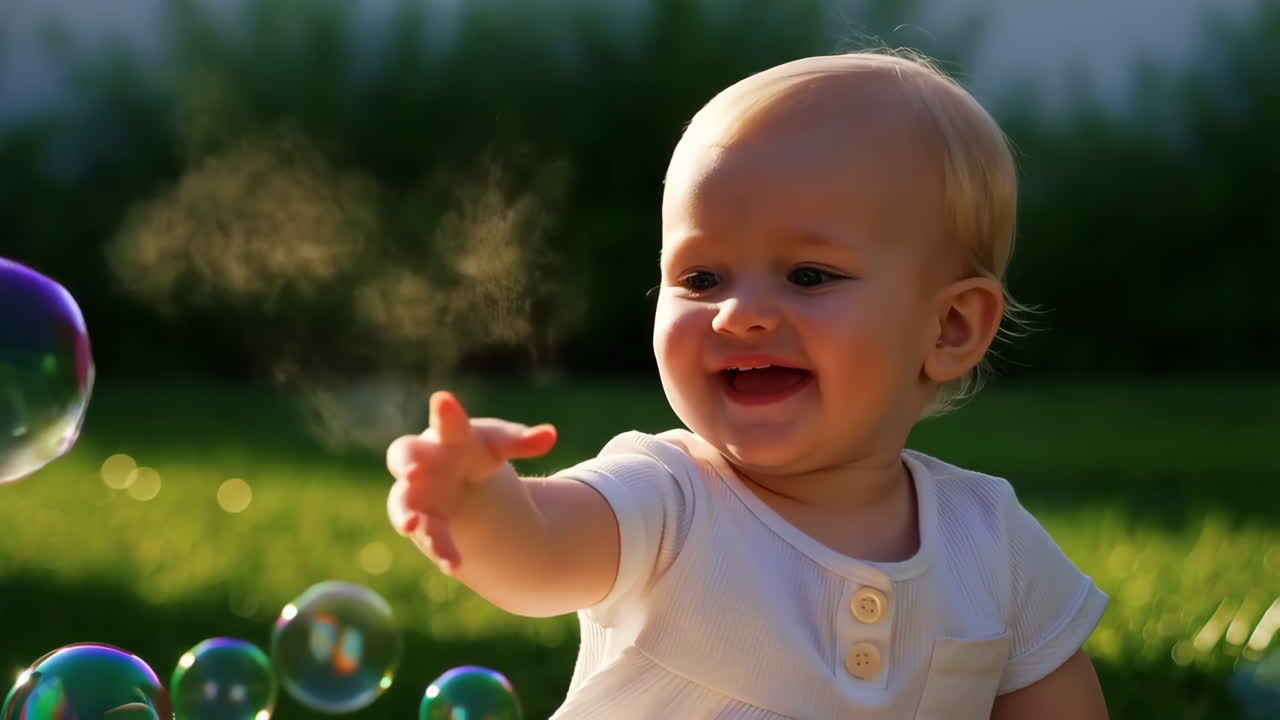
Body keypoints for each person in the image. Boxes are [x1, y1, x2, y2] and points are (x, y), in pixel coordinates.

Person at [385, 49, 1109, 719]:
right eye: (701, 278)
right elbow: (540, 554)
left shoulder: (992, 543)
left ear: (950, 327)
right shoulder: (667, 496)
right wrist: (480, 507)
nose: (740, 315)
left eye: (808, 276)